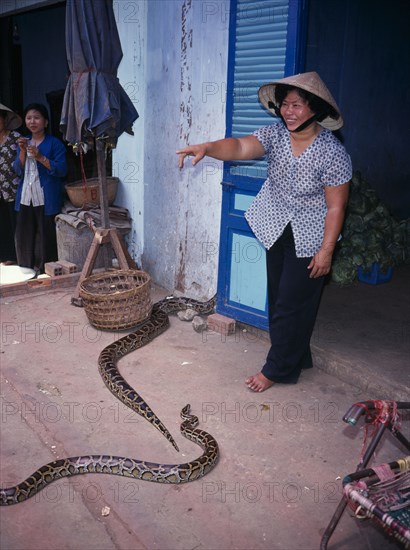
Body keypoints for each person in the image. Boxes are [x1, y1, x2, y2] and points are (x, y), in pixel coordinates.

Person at [177, 72, 352, 392]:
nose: (289, 111)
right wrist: (208, 147)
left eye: (297, 105)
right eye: (285, 104)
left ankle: (278, 369)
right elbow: (241, 147)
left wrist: (327, 250)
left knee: (291, 302)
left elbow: (336, 207)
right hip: (277, 227)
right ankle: (297, 356)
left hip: (313, 235)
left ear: (316, 110)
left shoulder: (332, 153)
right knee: (281, 298)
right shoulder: (276, 136)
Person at [13, 103, 67, 274]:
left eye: (37, 118)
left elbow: (62, 169)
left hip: (46, 196)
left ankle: (46, 271)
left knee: (46, 237)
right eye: (29, 118)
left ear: (45, 122)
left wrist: (40, 156)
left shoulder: (54, 143)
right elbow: (17, 169)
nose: (32, 121)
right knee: (24, 236)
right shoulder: (24, 142)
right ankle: (26, 271)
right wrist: (22, 152)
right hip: (25, 196)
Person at [0, 103, 22, 264]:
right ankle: (4, 256)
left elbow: (22, 163)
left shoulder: (15, 137)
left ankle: (16, 257)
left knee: (15, 223)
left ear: (4, 120)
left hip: (14, 187)